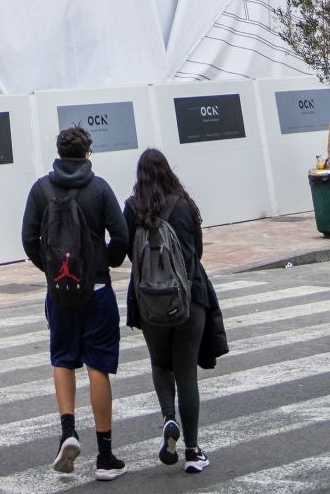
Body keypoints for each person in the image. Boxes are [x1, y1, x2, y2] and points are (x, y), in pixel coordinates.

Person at [21, 122, 130, 481]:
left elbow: (28, 239)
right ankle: (105, 455)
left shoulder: (41, 189)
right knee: (98, 365)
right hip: (97, 290)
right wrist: (107, 262)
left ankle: (68, 432)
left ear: (59, 152)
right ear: (87, 152)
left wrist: (51, 269)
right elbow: (121, 235)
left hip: (60, 292)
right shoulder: (99, 188)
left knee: (63, 360)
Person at [124, 148, 211, 475]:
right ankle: (192, 451)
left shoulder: (133, 209)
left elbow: (125, 253)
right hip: (189, 299)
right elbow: (197, 252)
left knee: (161, 363)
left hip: (149, 303)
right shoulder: (185, 206)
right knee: (187, 373)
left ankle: (167, 417)